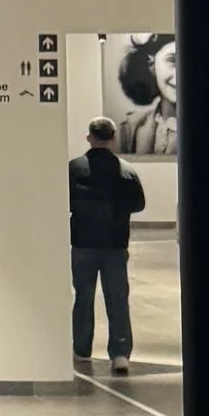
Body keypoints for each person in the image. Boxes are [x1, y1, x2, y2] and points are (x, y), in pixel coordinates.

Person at [67, 116, 144, 374]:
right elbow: (139, 203)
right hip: (115, 244)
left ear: (89, 137)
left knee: (83, 297)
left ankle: (81, 348)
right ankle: (120, 353)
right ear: (113, 139)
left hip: (83, 244)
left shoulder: (74, 168)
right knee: (118, 298)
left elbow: (65, 201)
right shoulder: (126, 171)